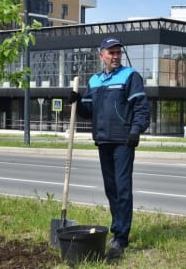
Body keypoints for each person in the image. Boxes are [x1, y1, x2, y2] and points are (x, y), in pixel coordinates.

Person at [69, 37, 150, 259]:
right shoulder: (94, 81)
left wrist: (136, 130)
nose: (115, 56)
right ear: (101, 55)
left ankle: (120, 238)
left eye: (118, 53)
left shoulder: (130, 76)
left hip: (123, 141)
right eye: (111, 53)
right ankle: (118, 228)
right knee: (111, 189)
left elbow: (141, 108)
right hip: (103, 140)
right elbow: (87, 111)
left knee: (123, 189)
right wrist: (76, 100)